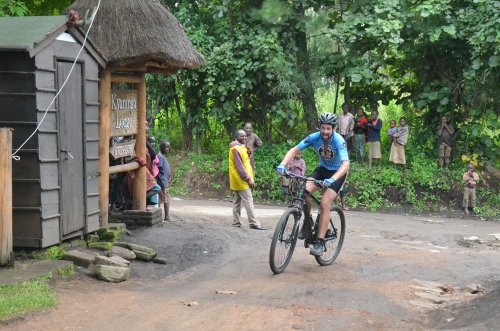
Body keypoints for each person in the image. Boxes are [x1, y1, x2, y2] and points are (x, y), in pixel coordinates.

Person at [277, 113, 349, 256]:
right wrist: (283, 164)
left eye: (328, 128)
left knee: (324, 203)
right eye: (323, 128)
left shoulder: (339, 140)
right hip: (322, 170)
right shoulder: (315, 137)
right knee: (303, 192)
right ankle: (307, 220)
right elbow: (294, 150)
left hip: (338, 174)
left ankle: (320, 242)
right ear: (319, 127)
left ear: (333, 129)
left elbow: (345, 165)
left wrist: (333, 179)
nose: (325, 132)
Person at [229, 129, 266, 230]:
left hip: (238, 180)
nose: (244, 137)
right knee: (249, 200)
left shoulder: (241, 147)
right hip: (241, 180)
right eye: (241, 136)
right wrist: (248, 179)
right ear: (236, 137)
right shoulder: (235, 149)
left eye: (245, 136)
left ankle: (236, 222)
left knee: (237, 201)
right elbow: (240, 167)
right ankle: (253, 223)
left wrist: (248, 151)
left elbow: (246, 161)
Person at [157, 140, 172, 221]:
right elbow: (158, 170)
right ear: (161, 147)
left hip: (164, 181)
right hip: (162, 182)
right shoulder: (159, 156)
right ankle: (165, 217)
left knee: (164, 199)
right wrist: (162, 181)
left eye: (168, 147)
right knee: (163, 199)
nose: (167, 149)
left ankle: (166, 216)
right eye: (166, 147)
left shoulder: (162, 156)